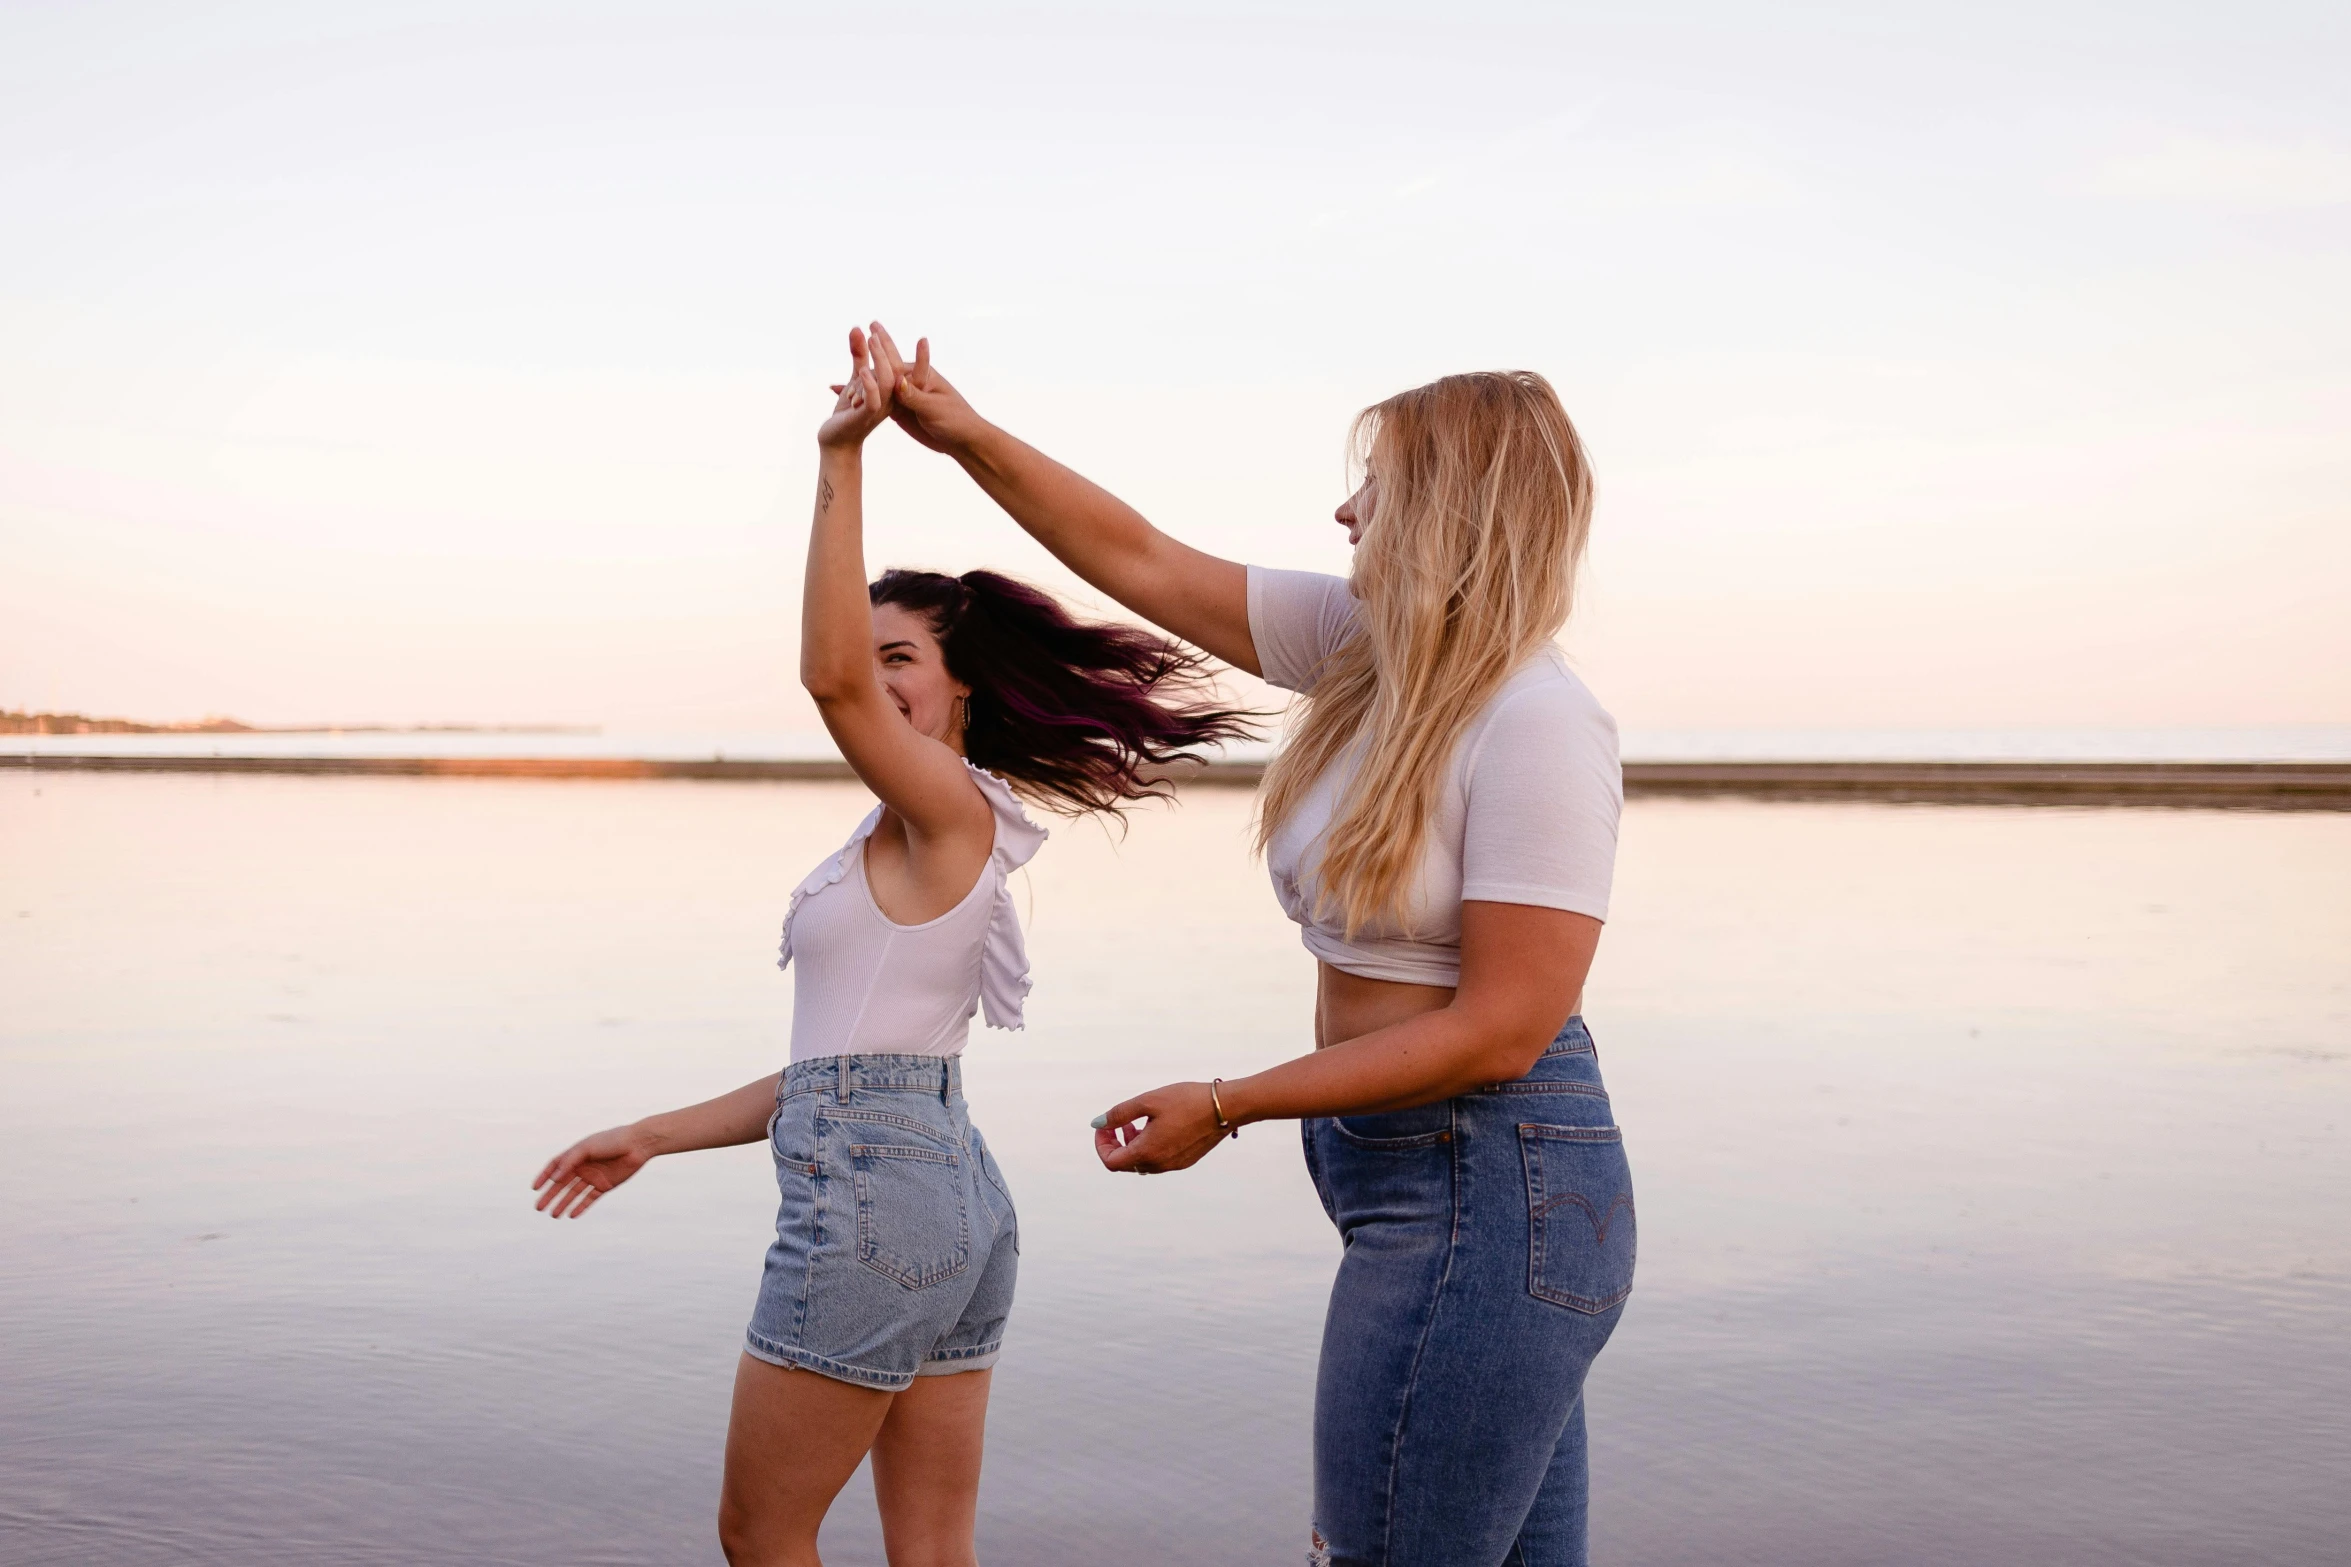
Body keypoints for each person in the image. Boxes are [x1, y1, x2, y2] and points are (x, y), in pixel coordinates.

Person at [869, 322, 1631, 1567]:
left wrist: (1228, 1102)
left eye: (1373, 486)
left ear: (1447, 507)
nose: (1343, 512)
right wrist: (961, 435)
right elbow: (1137, 557)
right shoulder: (1365, 654)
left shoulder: (1540, 719)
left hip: (1495, 1188)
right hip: (1418, 1180)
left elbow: (1504, 1028)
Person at [529, 328, 1253, 1567]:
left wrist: (840, 456)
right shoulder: (913, 828)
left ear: (960, 688)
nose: (870, 679)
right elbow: (846, 1067)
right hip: (946, 1187)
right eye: (869, 661)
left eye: (898, 659)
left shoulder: (950, 810)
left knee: (763, 1535)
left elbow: (825, 682)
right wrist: (653, 1130)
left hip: (883, 1200)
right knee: (930, 1550)